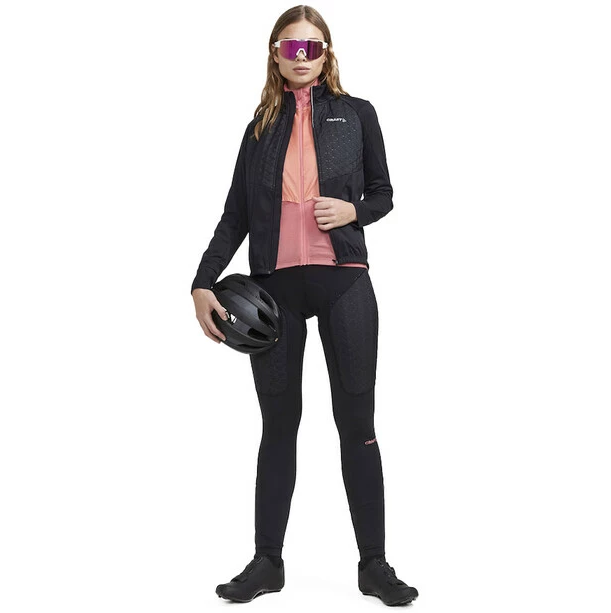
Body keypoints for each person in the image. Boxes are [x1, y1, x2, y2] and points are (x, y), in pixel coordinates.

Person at [191, 5, 418, 607]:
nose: (302, 57)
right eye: (291, 47)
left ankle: (374, 565)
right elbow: (235, 216)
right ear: (275, 52)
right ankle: (267, 562)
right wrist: (201, 282)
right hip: (274, 292)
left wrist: (354, 211)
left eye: (312, 47)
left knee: (357, 425)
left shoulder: (357, 113)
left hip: (343, 282)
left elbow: (383, 193)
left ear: (327, 52)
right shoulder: (258, 128)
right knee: (278, 426)